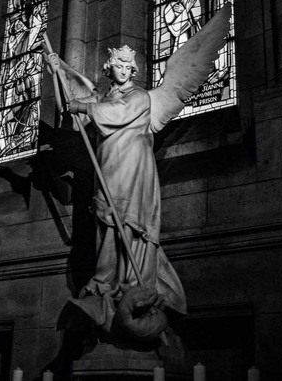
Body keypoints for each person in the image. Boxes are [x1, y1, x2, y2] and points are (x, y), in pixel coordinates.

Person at [46, 46, 187, 333]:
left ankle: (133, 284)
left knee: (130, 221)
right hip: (108, 168)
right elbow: (71, 104)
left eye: (127, 67)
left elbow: (119, 112)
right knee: (106, 219)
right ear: (109, 69)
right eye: (118, 66)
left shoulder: (140, 96)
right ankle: (105, 282)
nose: (123, 71)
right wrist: (57, 70)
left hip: (133, 169)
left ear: (132, 71)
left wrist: (84, 107)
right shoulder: (102, 98)